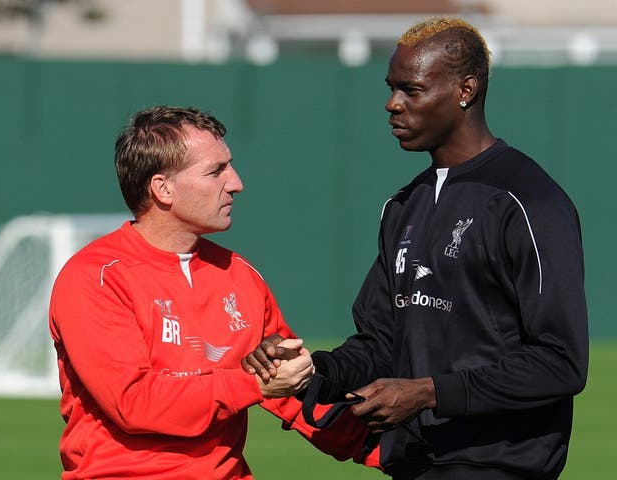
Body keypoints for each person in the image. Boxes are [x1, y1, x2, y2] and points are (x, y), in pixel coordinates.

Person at [243, 17, 589, 480]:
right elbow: (381, 344)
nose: (392, 104)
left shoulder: (528, 202)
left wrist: (428, 393)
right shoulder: (403, 205)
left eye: (412, 90)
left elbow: (561, 363)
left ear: (466, 90)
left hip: (499, 464)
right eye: (391, 88)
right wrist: (313, 371)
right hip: (414, 463)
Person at [49, 106, 377, 480]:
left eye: (230, 166)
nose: (236, 183)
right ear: (163, 188)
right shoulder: (96, 277)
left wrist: (390, 452)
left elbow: (294, 392)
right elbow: (134, 403)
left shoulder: (240, 274)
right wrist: (254, 384)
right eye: (215, 171)